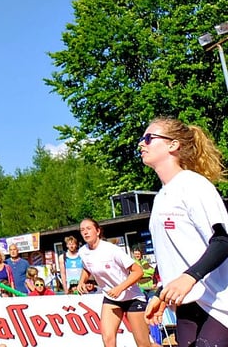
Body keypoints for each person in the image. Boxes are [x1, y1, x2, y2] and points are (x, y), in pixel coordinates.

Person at [139, 117, 228, 346]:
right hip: (189, 304)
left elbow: (222, 240)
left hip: (220, 304)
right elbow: (178, 257)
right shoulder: (161, 197)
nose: (142, 143)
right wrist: (162, 292)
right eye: (142, 139)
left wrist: (190, 277)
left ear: (173, 144)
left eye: (149, 138)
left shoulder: (194, 185)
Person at [76, 217, 152, 347]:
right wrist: (81, 282)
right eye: (82, 230)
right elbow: (86, 268)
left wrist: (120, 288)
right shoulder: (83, 251)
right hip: (111, 298)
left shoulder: (112, 250)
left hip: (132, 297)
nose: (85, 232)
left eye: (89, 229)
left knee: (144, 344)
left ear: (98, 231)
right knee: (108, 339)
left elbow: (138, 271)